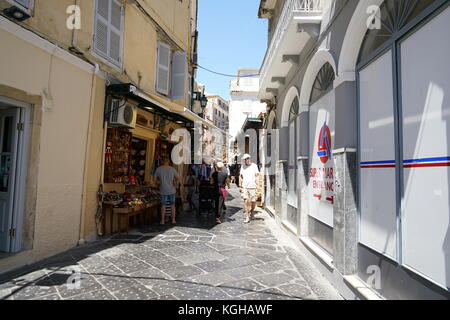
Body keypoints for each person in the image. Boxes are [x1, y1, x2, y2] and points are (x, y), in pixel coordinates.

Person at [155, 157, 179, 225]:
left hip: (163, 190)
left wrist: (158, 183)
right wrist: (174, 182)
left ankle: (162, 220)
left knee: (163, 206)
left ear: (162, 161)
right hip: (172, 190)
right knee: (172, 205)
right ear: (168, 162)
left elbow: (155, 179)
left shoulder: (159, 169)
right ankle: (173, 220)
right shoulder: (172, 169)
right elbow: (177, 178)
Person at [239, 154, 260, 223]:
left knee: (253, 201)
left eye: (245, 159)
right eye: (244, 160)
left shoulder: (254, 166)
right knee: (246, 201)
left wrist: (258, 185)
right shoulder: (243, 166)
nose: (244, 161)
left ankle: (252, 211)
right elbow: (241, 176)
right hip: (245, 186)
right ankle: (247, 216)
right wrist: (240, 186)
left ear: (249, 159)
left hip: (252, 186)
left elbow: (256, 176)